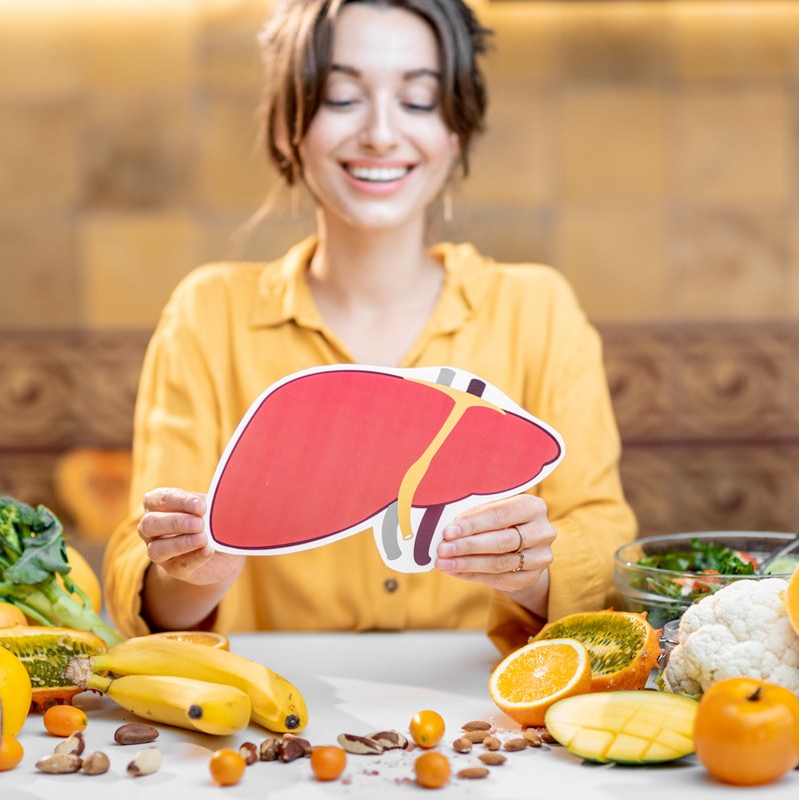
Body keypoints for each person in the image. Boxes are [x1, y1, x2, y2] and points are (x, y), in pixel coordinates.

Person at [103, 0, 637, 654]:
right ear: (284, 125)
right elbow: (143, 581)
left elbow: (606, 541)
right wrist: (191, 572)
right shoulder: (206, 314)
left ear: (457, 131)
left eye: (418, 101)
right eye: (341, 98)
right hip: (271, 725)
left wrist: (534, 571)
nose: (382, 134)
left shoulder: (540, 309)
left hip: (488, 720)